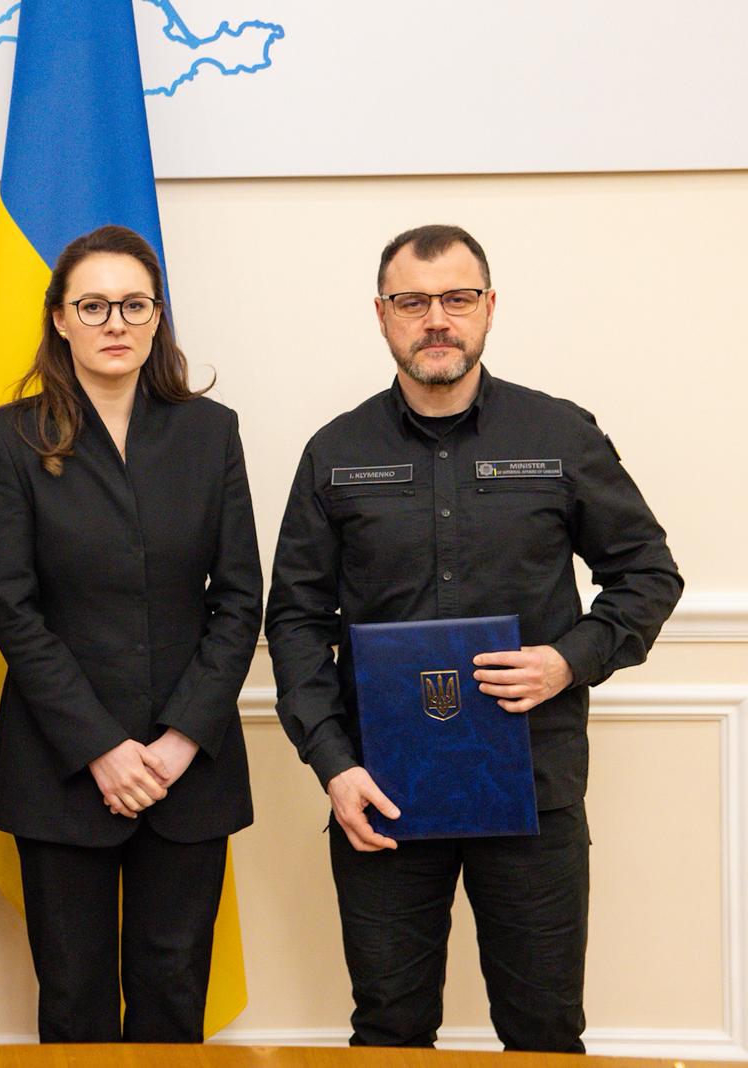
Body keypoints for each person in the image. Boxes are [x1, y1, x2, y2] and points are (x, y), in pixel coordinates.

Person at [264, 224, 683, 1051]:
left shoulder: (559, 435)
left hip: (531, 789)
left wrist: (569, 660)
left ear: (490, 306)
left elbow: (648, 574)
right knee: (389, 1028)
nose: (436, 320)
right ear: (381, 314)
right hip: (381, 790)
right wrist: (334, 765)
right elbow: (297, 620)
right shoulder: (335, 453)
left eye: (456, 299)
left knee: (544, 1030)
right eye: (412, 302)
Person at [0, 224, 261, 1042]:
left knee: (175, 991)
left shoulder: (210, 432)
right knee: (74, 997)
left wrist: (178, 741)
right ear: (59, 318)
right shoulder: (9, 438)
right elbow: (12, 609)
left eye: (135, 305)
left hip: (188, 768)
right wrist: (101, 747)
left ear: (157, 316)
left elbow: (240, 599)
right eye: (93, 305)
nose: (115, 323)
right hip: (61, 766)